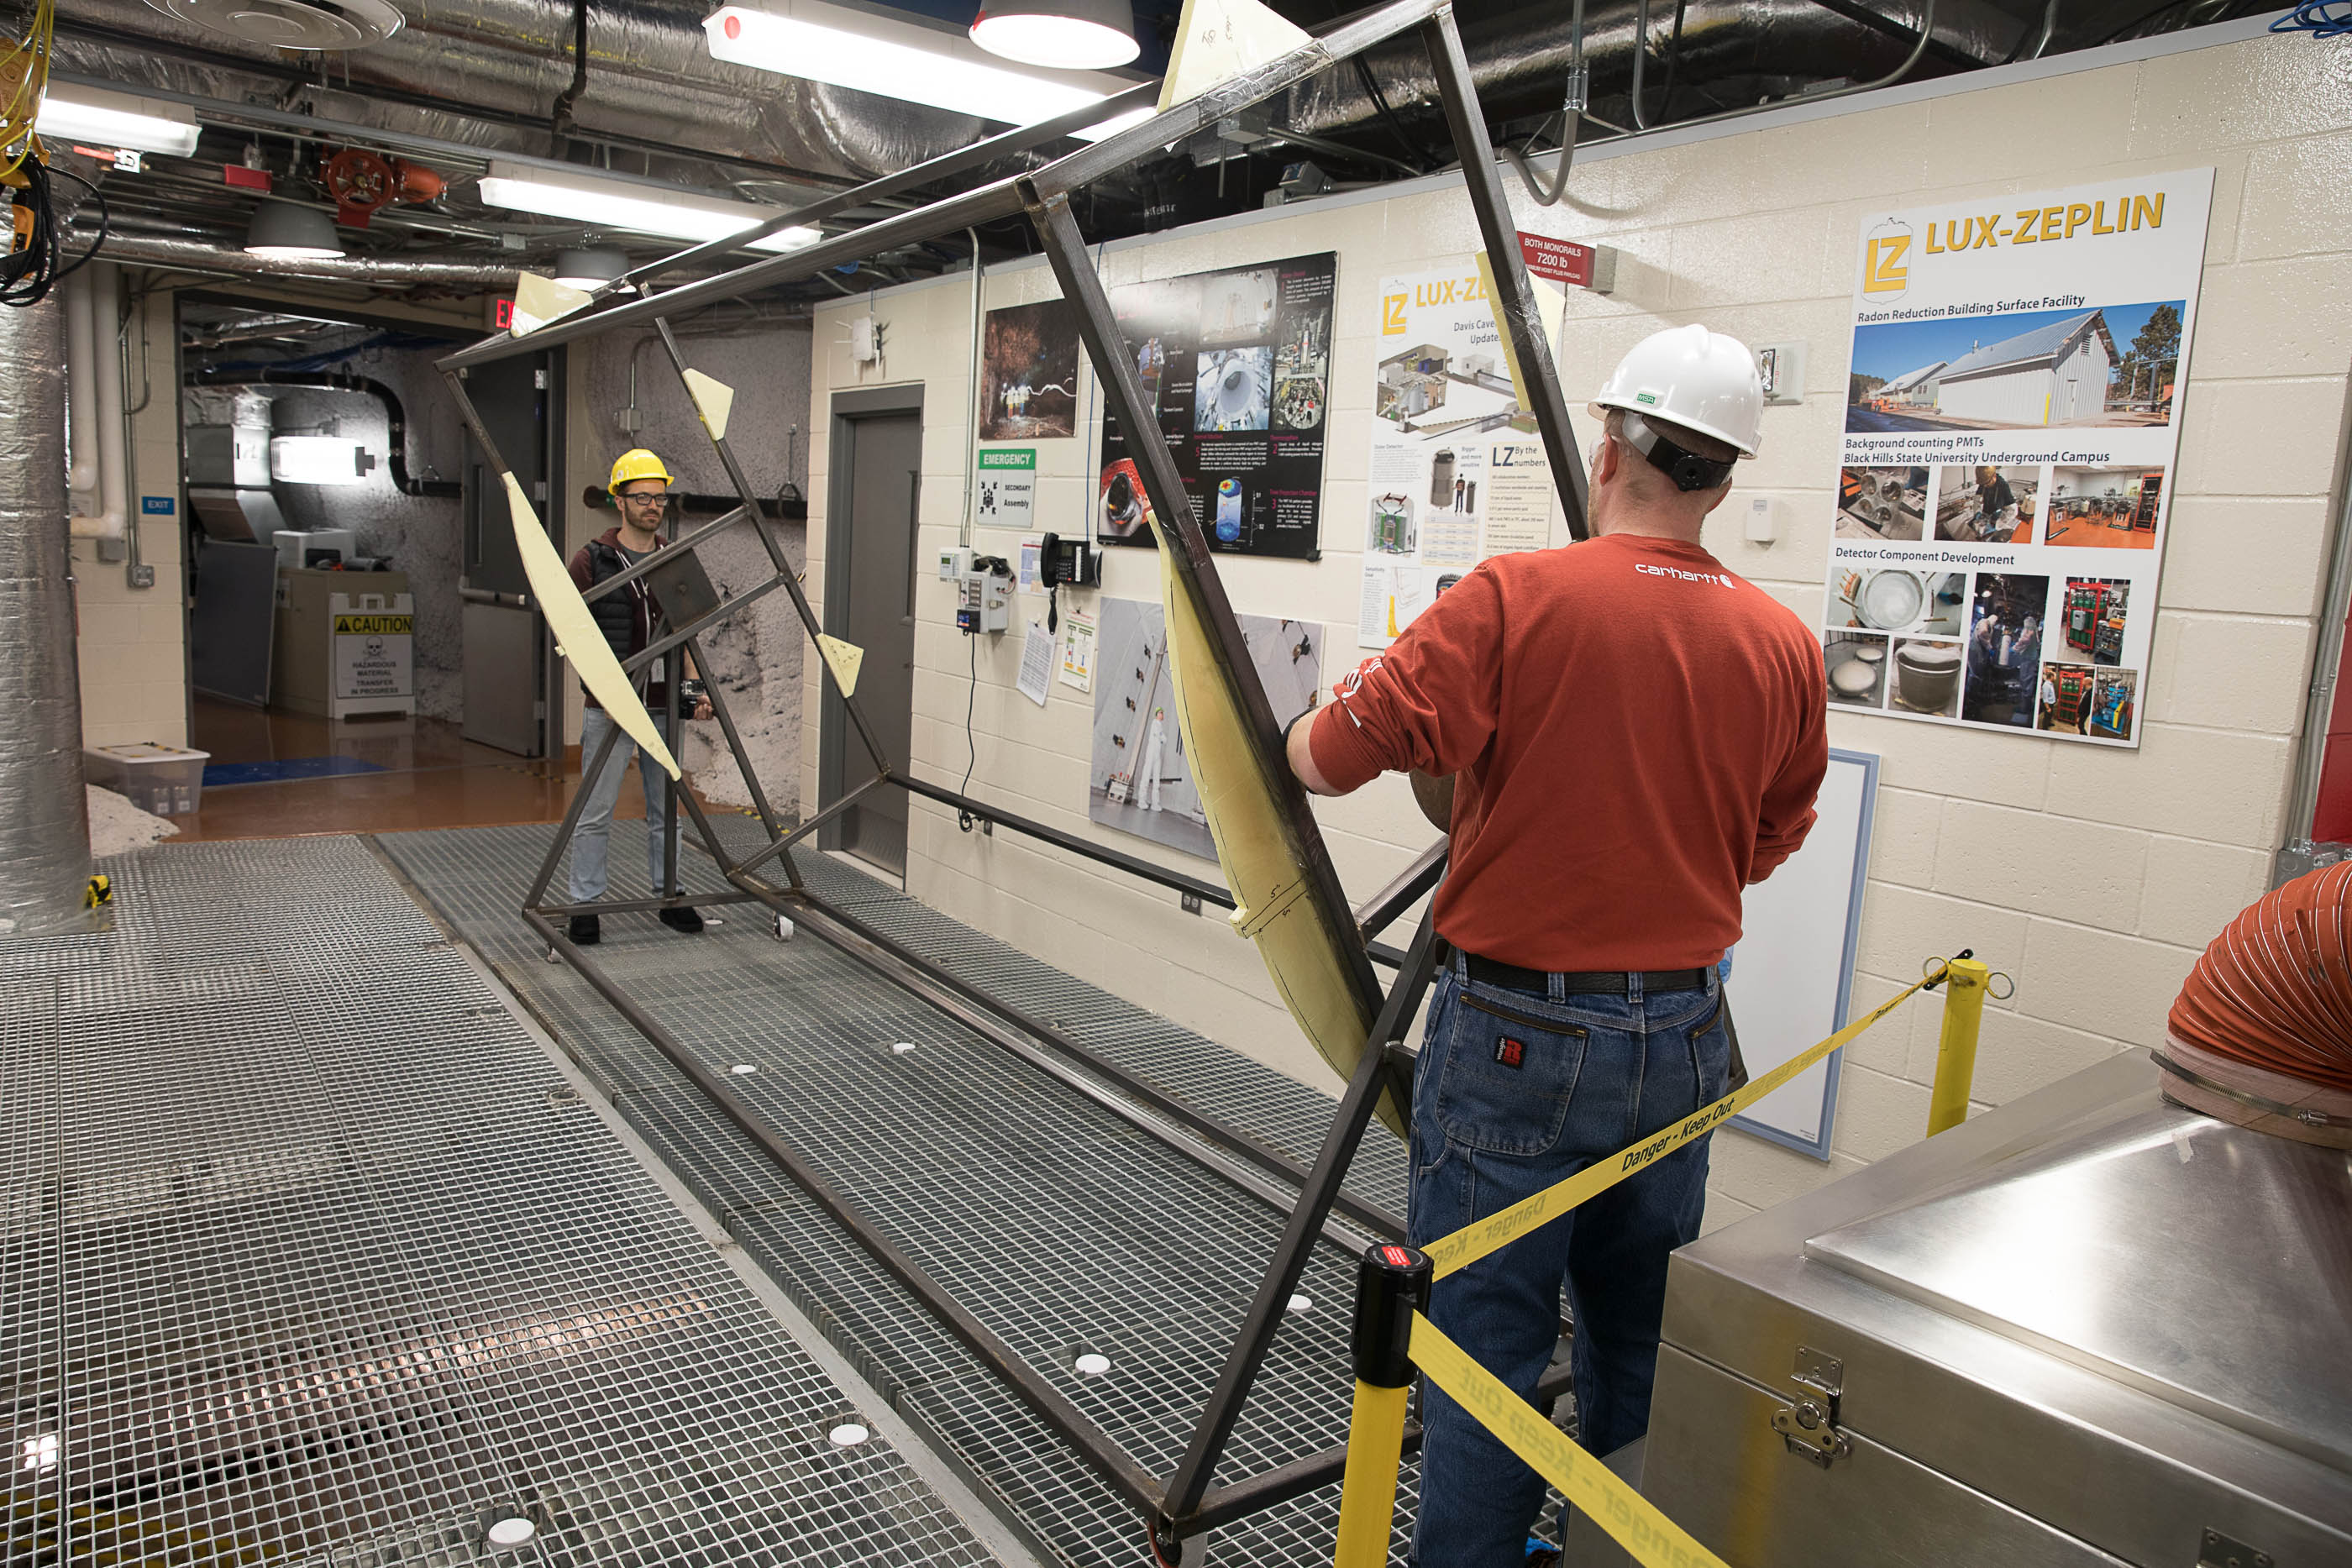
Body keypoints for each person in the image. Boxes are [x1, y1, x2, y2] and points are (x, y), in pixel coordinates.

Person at [1285, 325, 1827, 1567]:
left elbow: (1326, 758)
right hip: (1687, 1035)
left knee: (1486, 1348)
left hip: (1520, 1040)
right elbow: (1764, 841)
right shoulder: (1784, 645)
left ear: (1608, 449)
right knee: (1639, 1336)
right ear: (1724, 481)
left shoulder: (1514, 597)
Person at [564, 448, 714, 945]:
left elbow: (687, 634)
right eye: (643, 496)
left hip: (662, 701)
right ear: (619, 501)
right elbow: (572, 633)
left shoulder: (675, 559)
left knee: (665, 809)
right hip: (610, 708)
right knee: (595, 810)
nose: (653, 505)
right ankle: (584, 907)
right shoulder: (592, 561)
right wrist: (601, 691)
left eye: (660, 497)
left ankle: (670, 896)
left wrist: (693, 693)